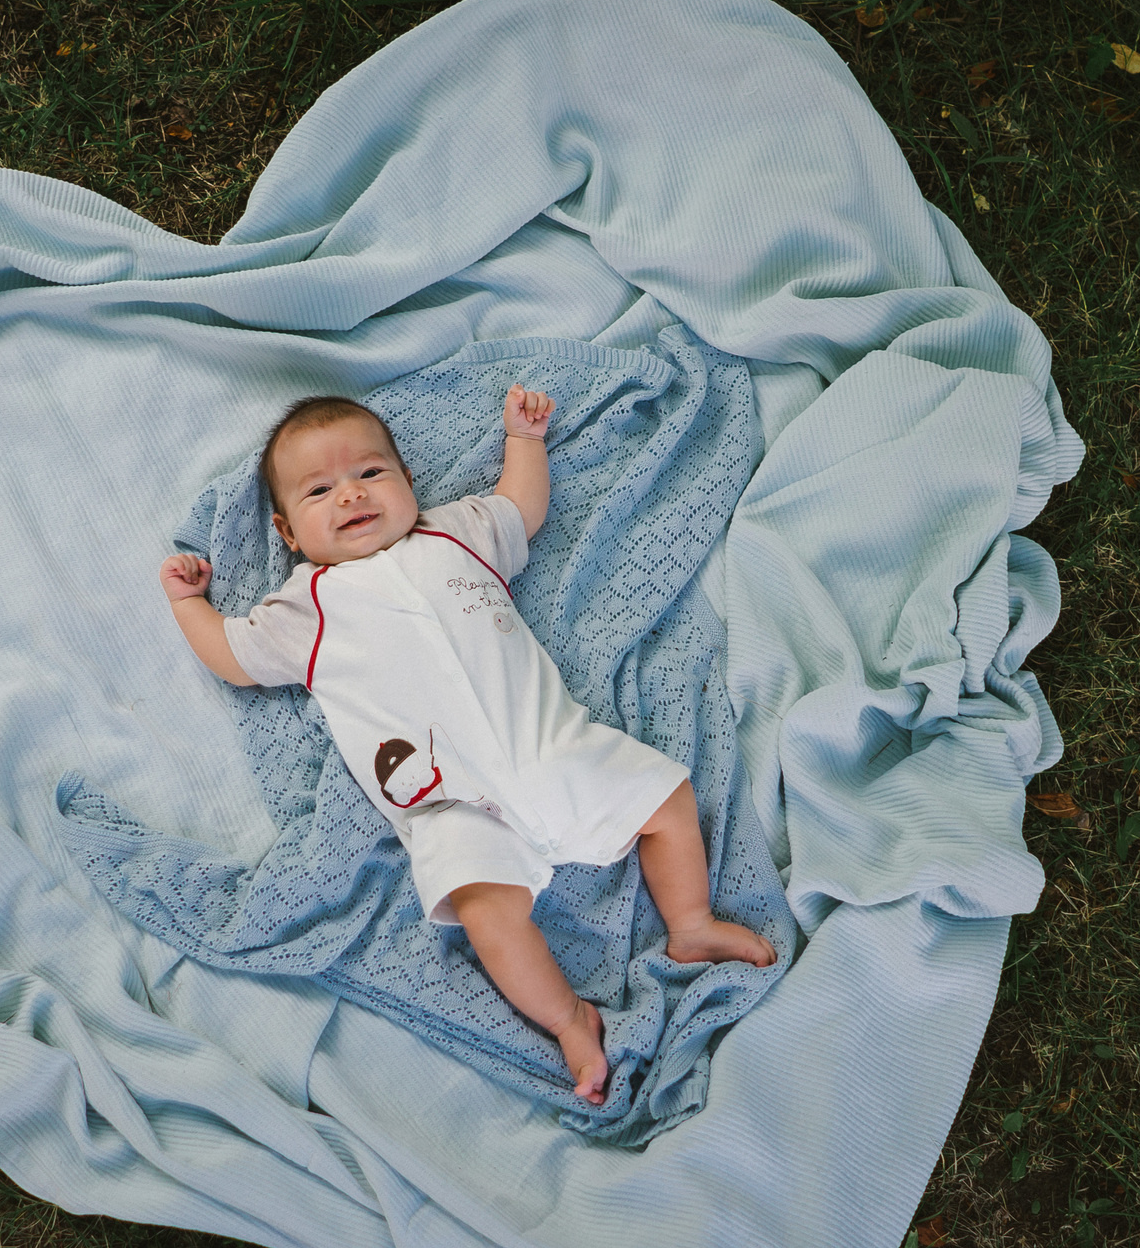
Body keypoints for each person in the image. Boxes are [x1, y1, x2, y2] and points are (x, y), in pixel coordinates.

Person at [158, 388, 776, 1105]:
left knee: (665, 796)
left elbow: (522, 507)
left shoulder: (454, 533)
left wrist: (525, 438)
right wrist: (189, 606)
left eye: (371, 473)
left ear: (410, 485)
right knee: (487, 910)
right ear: (288, 531)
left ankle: (691, 923)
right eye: (320, 490)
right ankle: (570, 1018)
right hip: (451, 802)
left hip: (551, 748)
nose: (351, 495)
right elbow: (233, 657)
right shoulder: (306, 608)